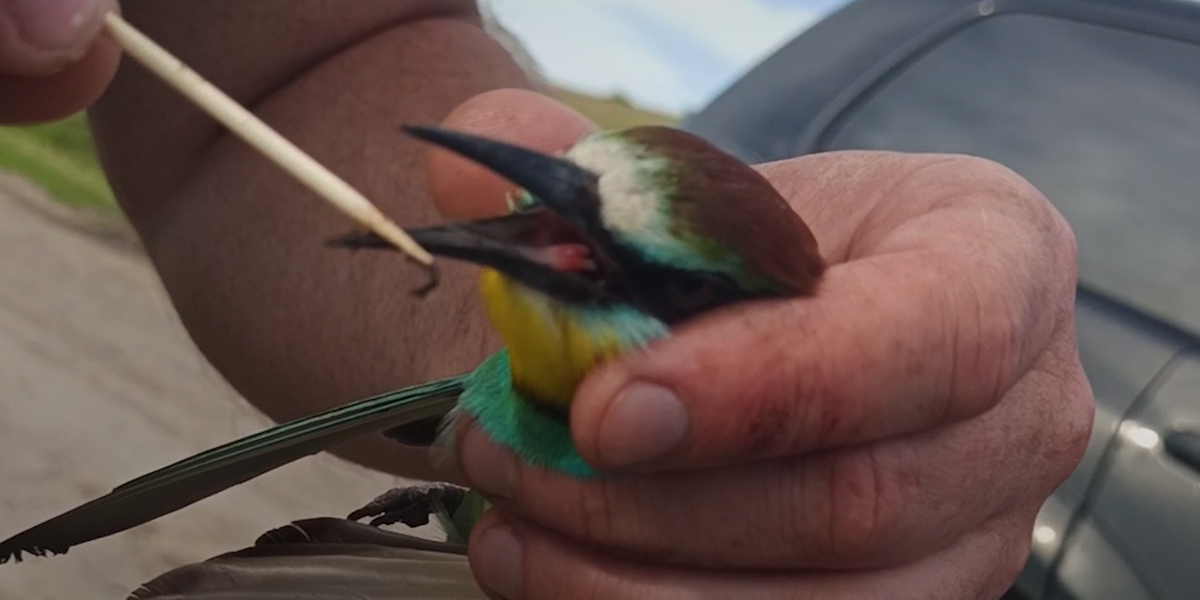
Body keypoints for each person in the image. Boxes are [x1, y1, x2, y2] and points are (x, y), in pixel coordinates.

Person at [0, 2, 1094, 599]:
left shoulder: (723, 417)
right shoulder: (510, 366)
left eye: (631, 268)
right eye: (560, 198)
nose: (552, 215)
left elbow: (297, 54)